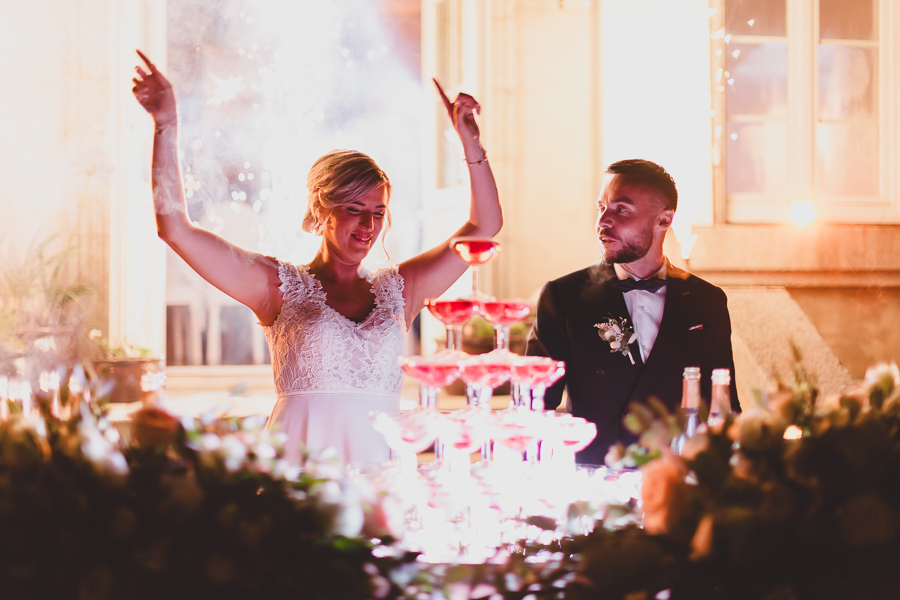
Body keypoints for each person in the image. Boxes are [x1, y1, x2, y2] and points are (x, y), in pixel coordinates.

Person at [131, 50, 502, 466]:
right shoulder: (275, 285)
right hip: (300, 462)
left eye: (378, 212)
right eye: (354, 209)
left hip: (381, 466)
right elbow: (175, 229)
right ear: (322, 210)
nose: (368, 224)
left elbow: (484, 226)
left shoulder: (401, 289)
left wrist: (470, 143)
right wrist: (166, 124)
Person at [526, 159, 739, 465]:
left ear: (664, 220)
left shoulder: (707, 301)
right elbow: (534, 407)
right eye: (601, 208)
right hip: (594, 480)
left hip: (674, 479)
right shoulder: (564, 297)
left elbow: (724, 404)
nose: (603, 221)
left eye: (621, 209)